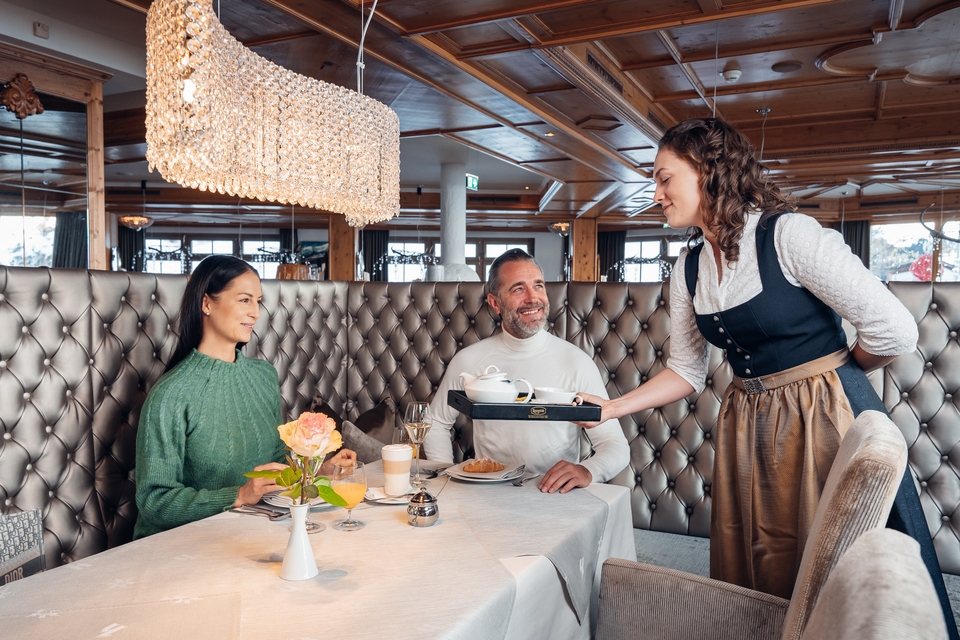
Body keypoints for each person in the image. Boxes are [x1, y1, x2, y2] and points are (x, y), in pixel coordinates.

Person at [579, 117, 958, 636]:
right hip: (746, 420)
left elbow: (893, 329)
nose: (656, 193)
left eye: (665, 178)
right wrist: (611, 408)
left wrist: (832, 374)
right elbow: (686, 370)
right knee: (760, 556)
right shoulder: (688, 267)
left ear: (709, 171)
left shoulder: (788, 235)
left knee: (835, 560)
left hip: (823, 414)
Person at [134, 256, 354, 538]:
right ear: (206, 304)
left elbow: (276, 460)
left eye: (257, 301)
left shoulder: (263, 376)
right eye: (244, 300)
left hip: (251, 532)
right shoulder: (170, 394)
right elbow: (154, 501)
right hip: (181, 544)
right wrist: (237, 495)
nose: (256, 313)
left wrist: (318, 471)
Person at [422, 249, 630, 493]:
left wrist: (588, 470)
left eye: (538, 286)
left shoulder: (576, 362)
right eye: (518, 289)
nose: (533, 298)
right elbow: (435, 423)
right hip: (488, 494)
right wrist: (447, 478)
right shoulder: (469, 360)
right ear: (495, 303)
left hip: (555, 496)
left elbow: (613, 443)